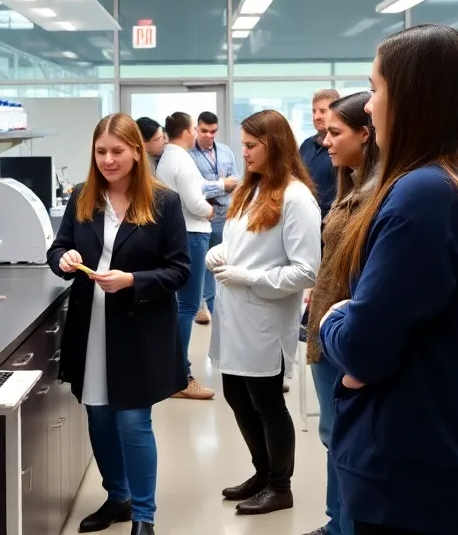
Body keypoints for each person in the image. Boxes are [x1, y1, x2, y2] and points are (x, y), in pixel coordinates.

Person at [319, 24, 458, 535]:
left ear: (413, 98)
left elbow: (362, 347)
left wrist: (335, 319)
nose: (370, 106)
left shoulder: (425, 195)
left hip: (414, 479)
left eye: (376, 89)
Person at [48, 113, 191, 535]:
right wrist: (64, 259)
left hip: (138, 326)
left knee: (132, 420)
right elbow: (58, 248)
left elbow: (180, 270)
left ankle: (144, 515)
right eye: (101, 151)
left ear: (135, 152)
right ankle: (118, 497)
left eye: (117, 151)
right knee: (99, 417)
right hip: (91, 325)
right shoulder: (82, 197)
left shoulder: (163, 202)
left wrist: (133, 281)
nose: (109, 160)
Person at [207, 109, 319, 516]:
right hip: (235, 314)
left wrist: (248, 276)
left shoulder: (296, 197)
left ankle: (279, 486)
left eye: (251, 146)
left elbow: (307, 270)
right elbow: (241, 243)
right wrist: (222, 254)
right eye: (244, 145)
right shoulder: (250, 190)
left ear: (274, 145)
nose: (245, 153)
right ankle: (262, 471)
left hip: (265, 319)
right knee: (237, 394)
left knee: (268, 402)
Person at [303, 92, 379, 535]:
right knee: (334, 437)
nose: (325, 141)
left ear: (365, 134)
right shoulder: (349, 185)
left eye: (335, 132)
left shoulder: (377, 195)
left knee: (346, 440)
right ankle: (337, 524)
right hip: (328, 330)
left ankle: (346, 527)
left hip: (347, 335)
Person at [156, 110, 217, 400]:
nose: (197, 133)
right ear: (186, 131)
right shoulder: (183, 159)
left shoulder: (167, 158)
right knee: (189, 306)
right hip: (193, 233)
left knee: (181, 306)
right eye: (194, 128)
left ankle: (173, 371)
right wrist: (210, 211)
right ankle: (181, 376)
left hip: (177, 234)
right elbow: (194, 203)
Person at [188, 110, 240, 325]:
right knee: (199, 263)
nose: (209, 135)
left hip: (224, 215)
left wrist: (222, 187)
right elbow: (194, 189)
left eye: (213, 131)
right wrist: (221, 186)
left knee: (221, 261)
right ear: (195, 130)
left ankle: (218, 305)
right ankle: (201, 302)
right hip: (201, 215)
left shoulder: (226, 152)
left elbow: (235, 181)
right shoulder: (189, 155)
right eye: (204, 131)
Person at [299, 89, 340, 218]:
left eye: (323, 111)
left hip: (331, 221)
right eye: (314, 111)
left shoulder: (342, 146)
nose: (316, 117)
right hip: (305, 216)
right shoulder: (306, 145)